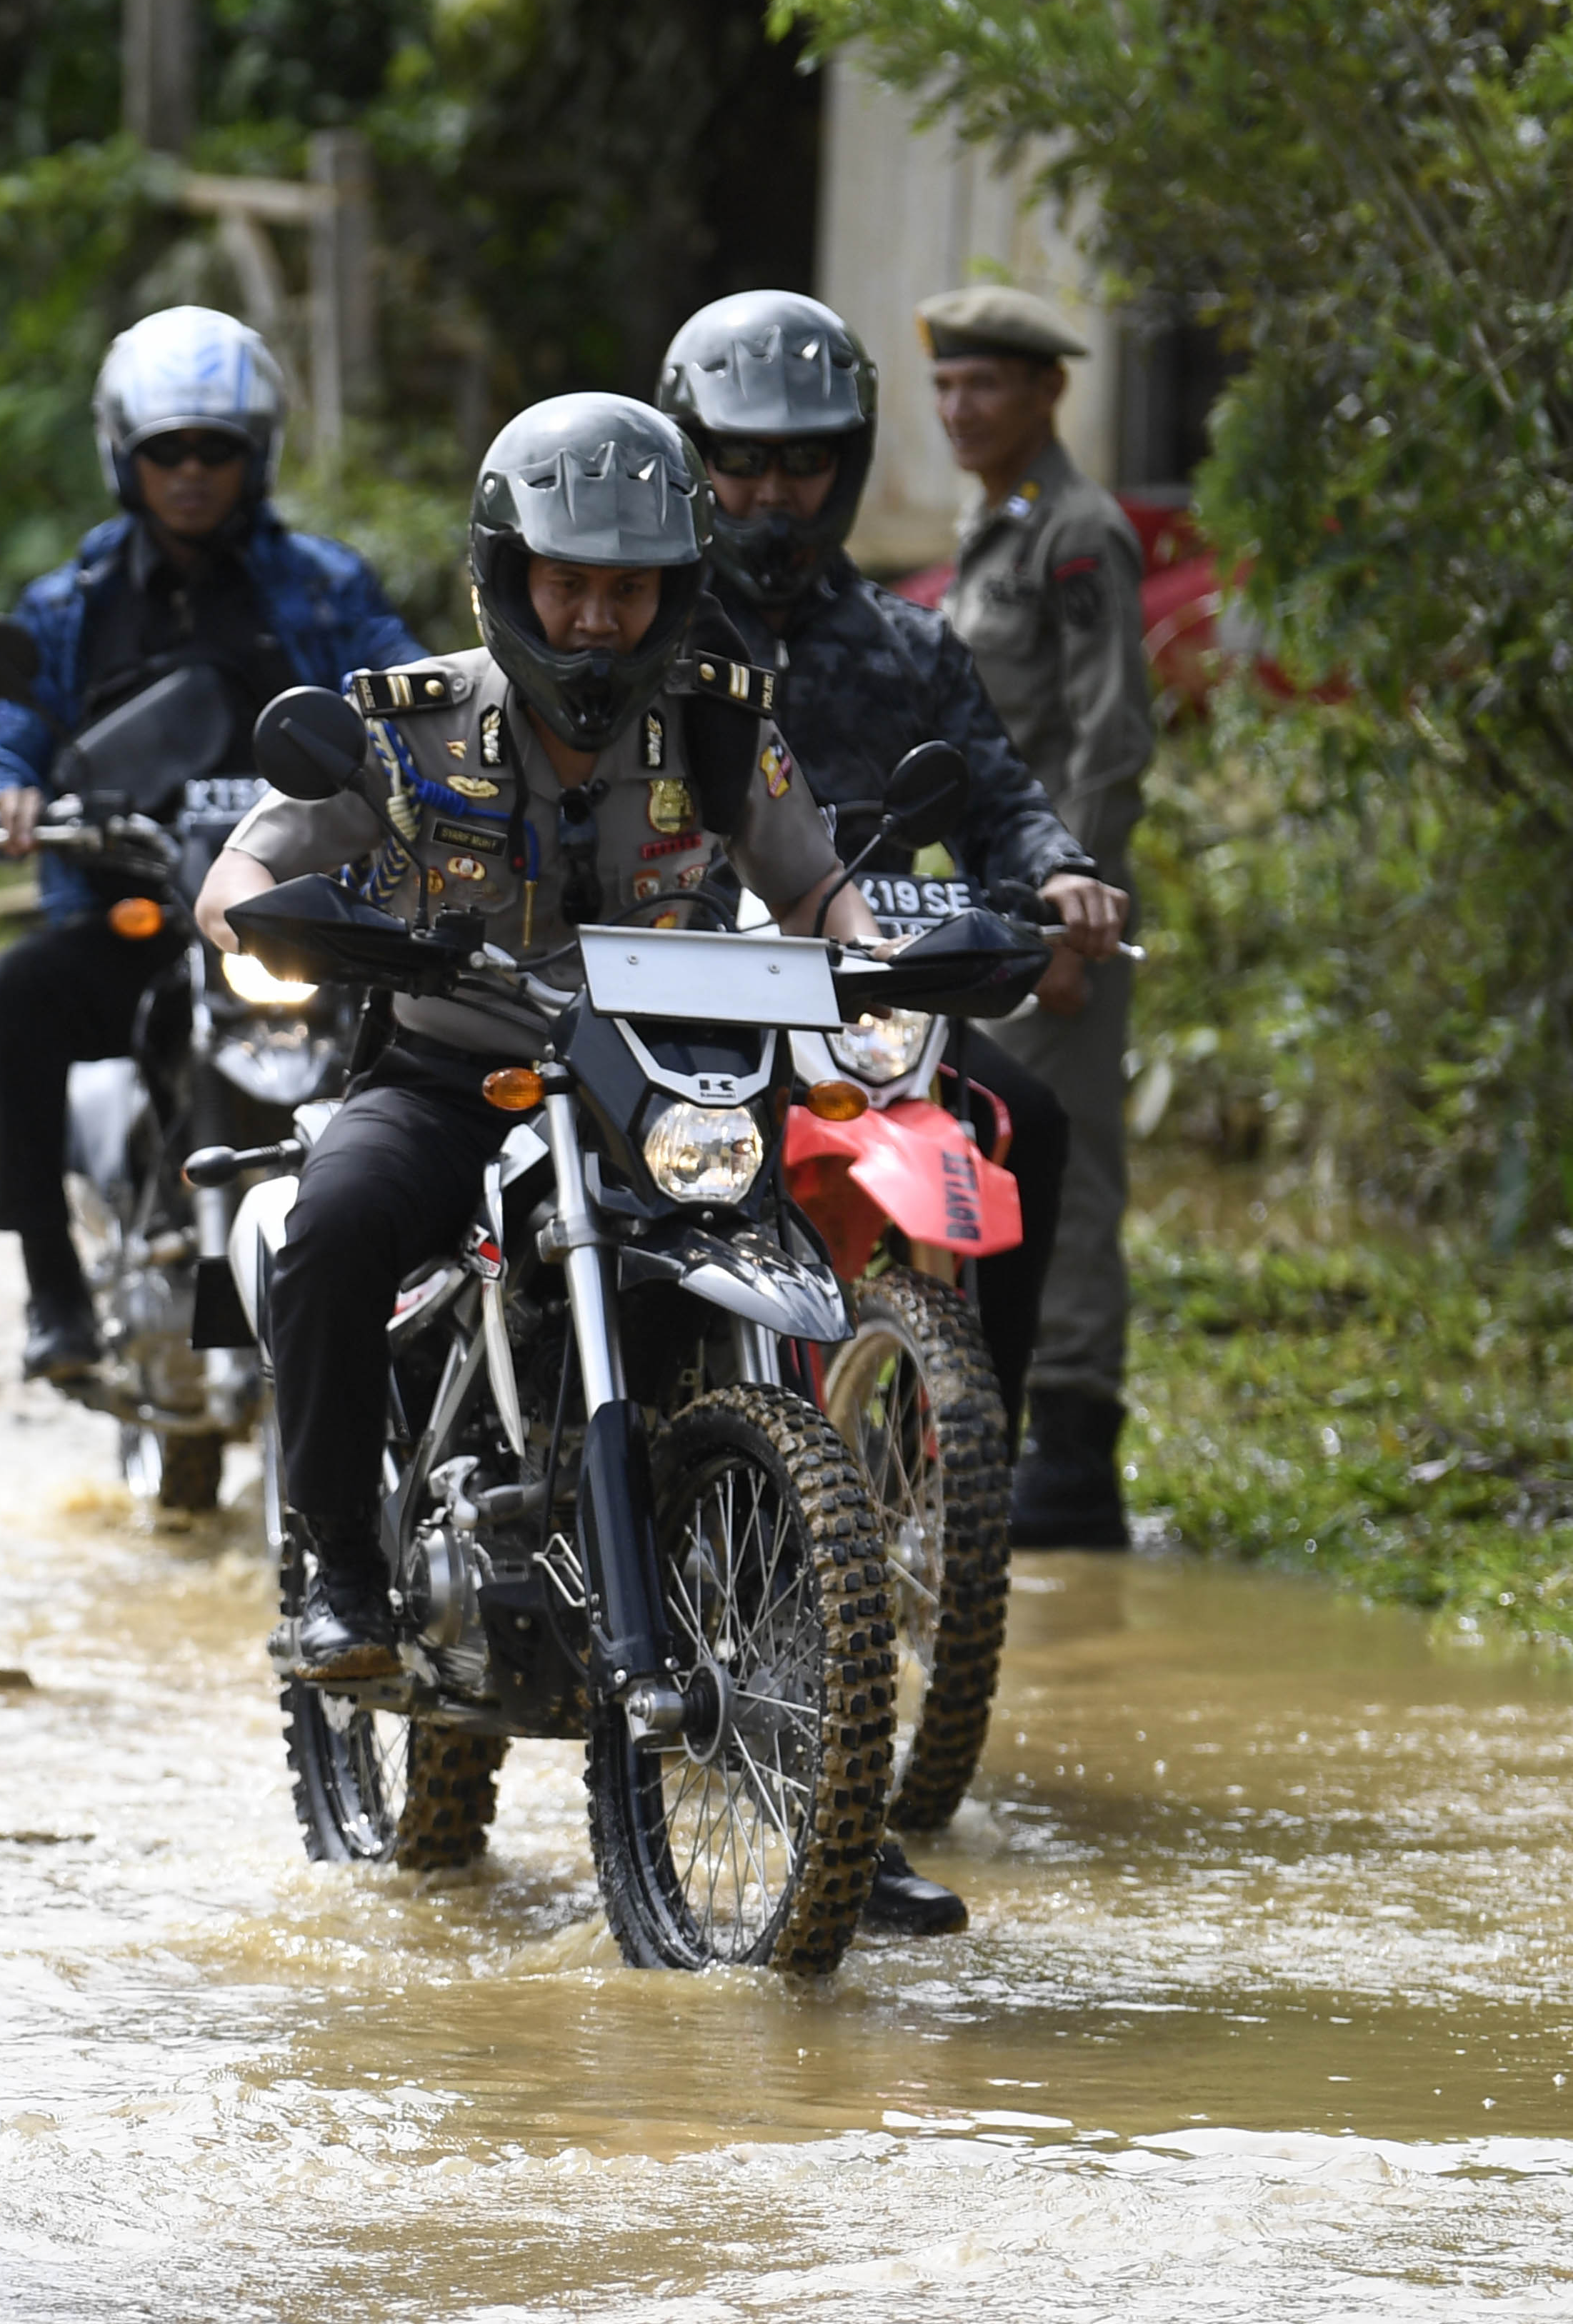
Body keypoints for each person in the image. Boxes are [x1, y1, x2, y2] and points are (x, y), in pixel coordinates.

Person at [192, 394, 881, 1682]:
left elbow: (810, 885)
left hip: (665, 1090)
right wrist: (259, 926)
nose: (593, 622)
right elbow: (242, 869)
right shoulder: (406, 722)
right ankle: (340, 1567)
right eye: (565, 586)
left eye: (627, 594)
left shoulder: (721, 723)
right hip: (455, 1077)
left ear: (673, 595)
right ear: (506, 578)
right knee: (329, 1226)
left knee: (779, 1274)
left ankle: (825, 1728)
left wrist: (868, 948)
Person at [659, 291, 1125, 1417]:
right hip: (674, 1000)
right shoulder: (642, 632)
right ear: (690, 458)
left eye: (805, 463)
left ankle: (962, 1454)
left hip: (866, 1001)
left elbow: (1000, 790)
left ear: (851, 461)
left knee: (1029, 1124)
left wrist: (1057, 869)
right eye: (741, 462)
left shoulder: (908, 644)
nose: (774, 494)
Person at [0, 306, 429, 1381]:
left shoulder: (324, 587)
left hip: (306, 920)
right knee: (4, 1006)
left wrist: (437, 753)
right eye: (170, 451)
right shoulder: (72, 605)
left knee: (452, 1035)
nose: (194, 472)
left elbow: (410, 693)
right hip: (133, 923)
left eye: (218, 449)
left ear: (256, 454)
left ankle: (437, 1315)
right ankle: (54, 1289)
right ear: (128, 454)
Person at [917, 285, 1155, 1550]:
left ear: (1046, 392)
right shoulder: (993, 528)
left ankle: (1071, 1459)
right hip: (984, 910)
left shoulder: (1076, 532)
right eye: (946, 385)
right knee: (982, 1148)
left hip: (1061, 907)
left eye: (986, 386)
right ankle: (987, 1432)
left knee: (1062, 1161)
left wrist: (1073, 923)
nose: (959, 408)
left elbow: (1107, 741)